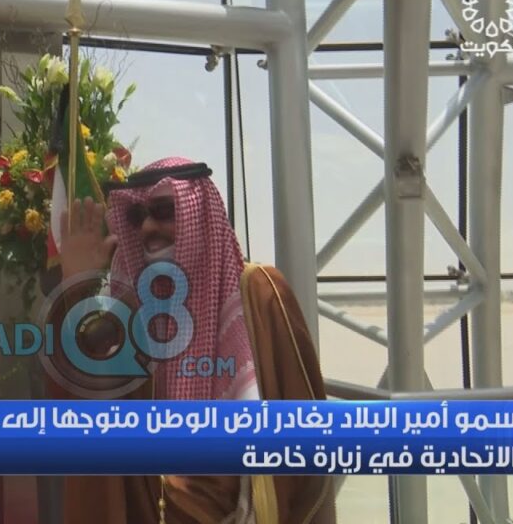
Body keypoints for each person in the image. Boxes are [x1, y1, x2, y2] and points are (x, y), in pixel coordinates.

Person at [51, 158, 336, 524]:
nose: (148, 227)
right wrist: (74, 286)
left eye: (163, 211)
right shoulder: (132, 311)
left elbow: (307, 431)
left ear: (198, 214)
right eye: (138, 216)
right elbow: (76, 397)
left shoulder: (258, 292)